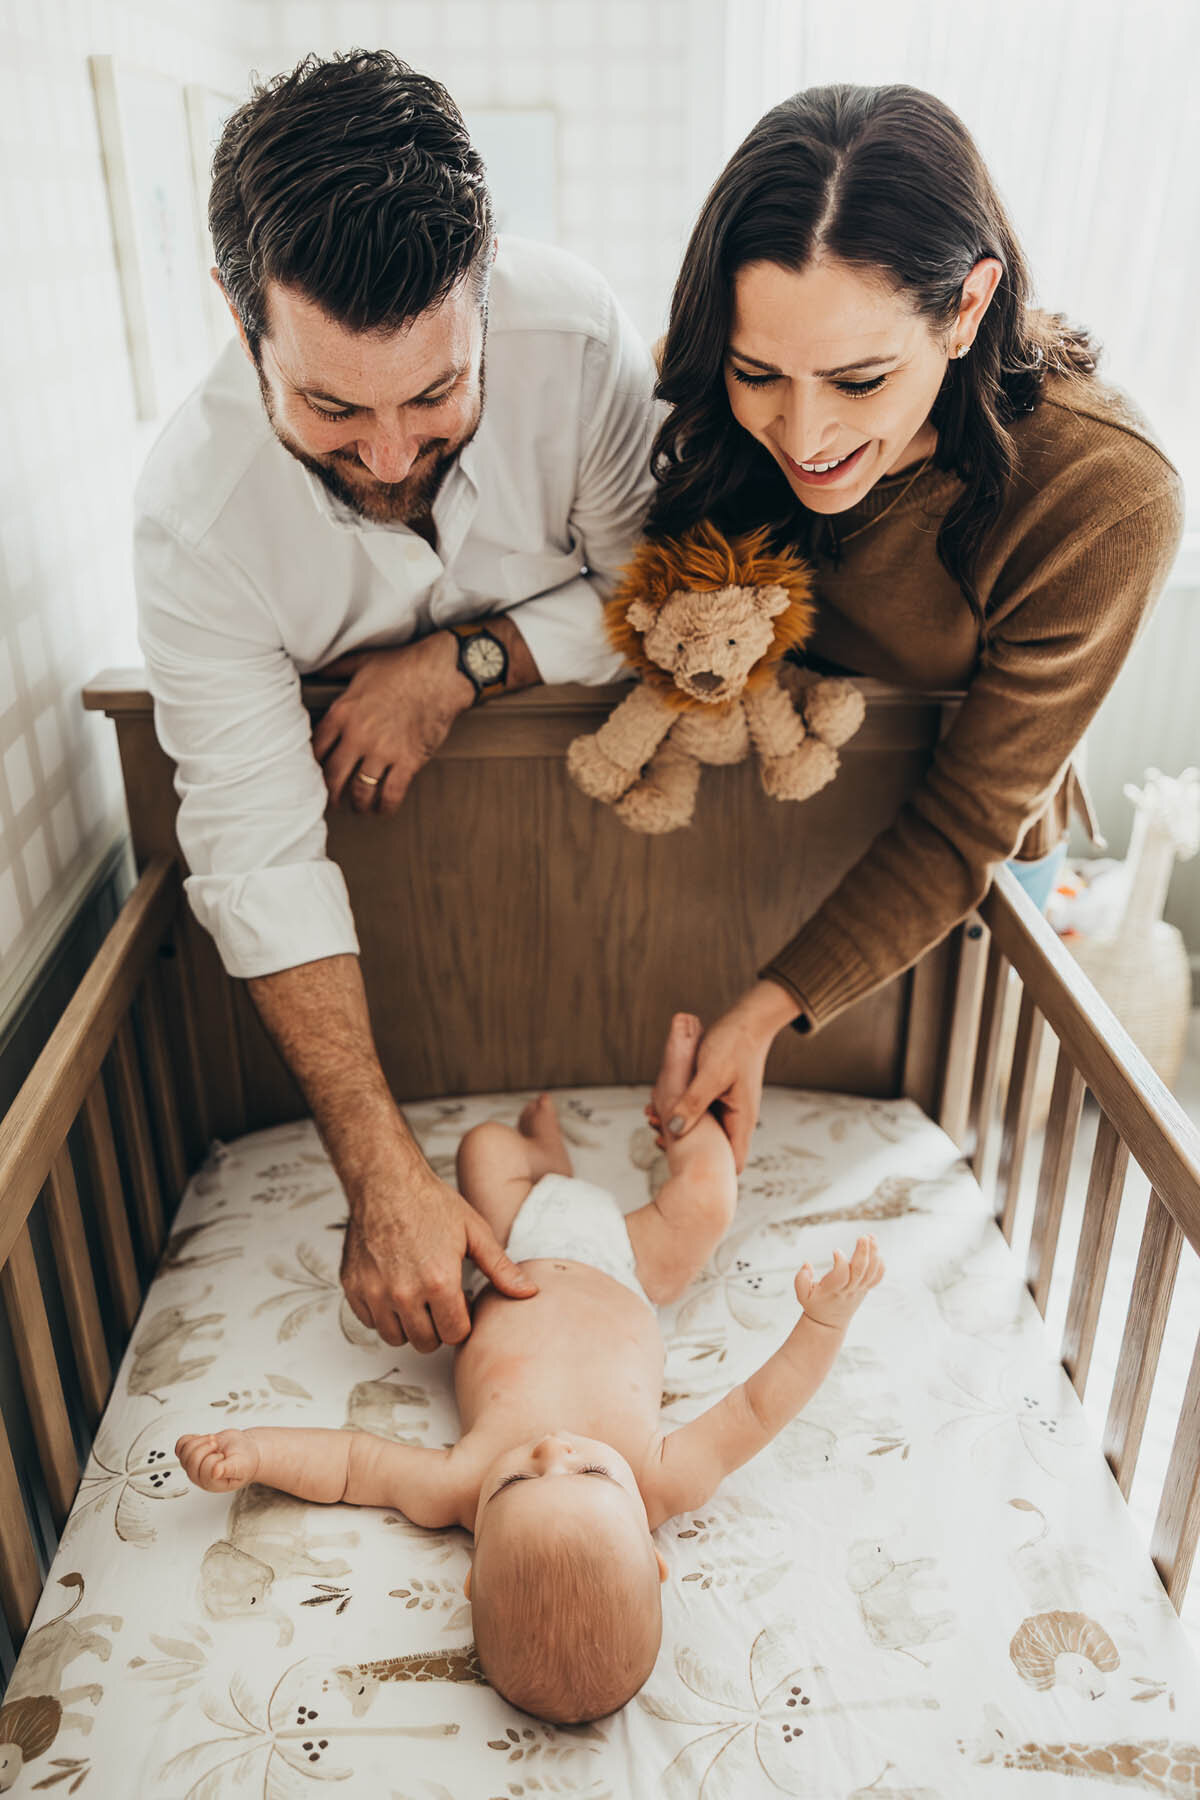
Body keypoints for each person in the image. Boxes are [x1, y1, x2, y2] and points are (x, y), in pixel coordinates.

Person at [134, 52, 660, 1354]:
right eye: (328, 406)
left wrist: (463, 665)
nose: (387, 453)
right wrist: (380, 1173)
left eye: (436, 394)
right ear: (236, 310)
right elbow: (257, 847)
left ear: (487, 289)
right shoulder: (192, 525)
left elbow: (659, 602)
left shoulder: (579, 338)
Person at [648, 84, 1185, 1167]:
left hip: (958, 852)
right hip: (778, 800)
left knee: (928, 1148)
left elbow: (966, 823)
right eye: (761, 375)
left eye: (859, 379)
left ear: (969, 306)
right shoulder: (718, 394)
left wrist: (767, 1012)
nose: (803, 432)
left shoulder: (1102, 496)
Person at [175, 1014, 883, 1723]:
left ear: (474, 1573)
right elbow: (762, 1408)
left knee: (482, 1149)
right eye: (591, 1474)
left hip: (518, 1240)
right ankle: (678, 1111)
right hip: (630, 1264)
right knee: (710, 1195)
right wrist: (825, 1322)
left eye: (520, 1479)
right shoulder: (659, 1476)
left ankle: (544, 1158)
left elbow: (353, 1466)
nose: (553, 1451)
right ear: (651, 1549)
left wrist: (258, 1452)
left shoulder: (460, 1481)